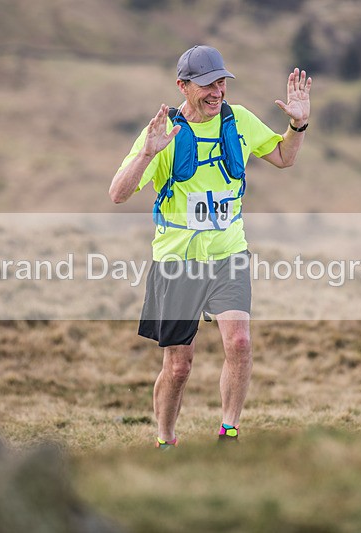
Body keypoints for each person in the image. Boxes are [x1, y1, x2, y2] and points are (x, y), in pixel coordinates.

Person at [110, 45, 311, 448]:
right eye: (206, 84)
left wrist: (298, 126)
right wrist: (148, 153)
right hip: (177, 260)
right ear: (183, 87)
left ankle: (229, 431)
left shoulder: (239, 122)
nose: (217, 91)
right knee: (179, 366)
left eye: (221, 81)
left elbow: (284, 158)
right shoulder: (164, 132)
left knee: (239, 342)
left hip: (228, 253)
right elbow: (118, 193)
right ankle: (166, 439)